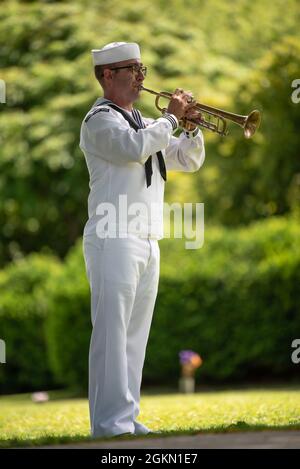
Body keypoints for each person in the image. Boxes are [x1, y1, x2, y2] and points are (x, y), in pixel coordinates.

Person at [80, 42, 205, 438]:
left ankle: (127, 418)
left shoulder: (142, 123)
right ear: (106, 75)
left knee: (135, 336)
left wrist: (191, 127)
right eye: (129, 69)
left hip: (147, 237)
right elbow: (133, 149)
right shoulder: (100, 120)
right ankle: (108, 425)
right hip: (112, 235)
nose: (139, 76)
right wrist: (170, 118)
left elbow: (188, 160)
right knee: (112, 336)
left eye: (141, 69)